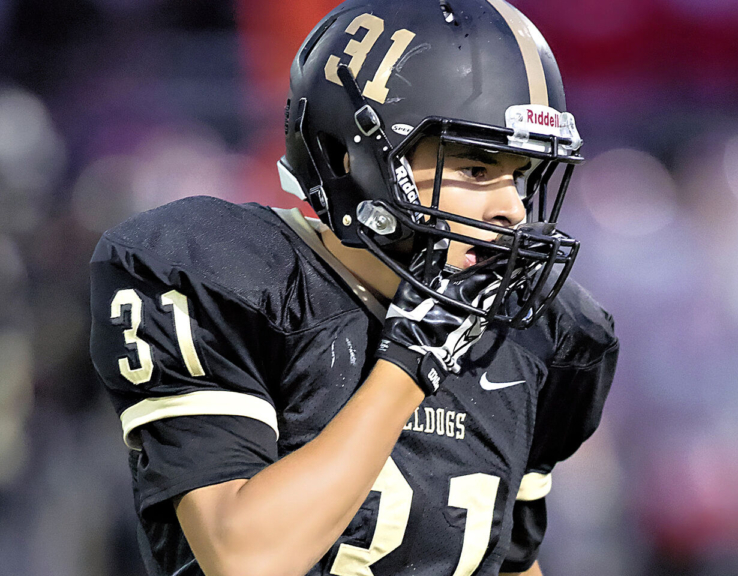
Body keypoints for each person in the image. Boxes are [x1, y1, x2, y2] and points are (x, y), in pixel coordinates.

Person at [90, 1, 619, 575]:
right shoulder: (228, 276)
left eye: (520, 175)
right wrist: (410, 362)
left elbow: (508, 561)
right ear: (351, 157)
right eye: (474, 169)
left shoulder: (540, 334)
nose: (512, 209)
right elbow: (244, 559)